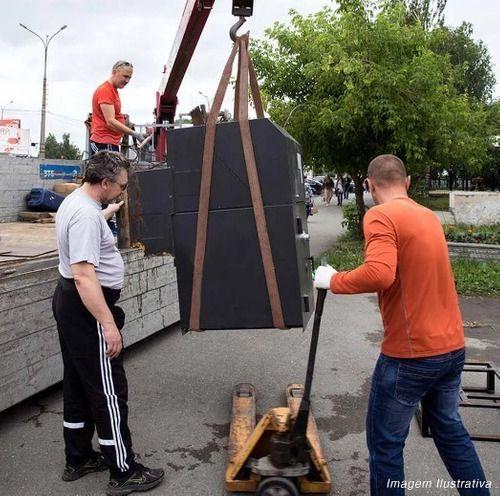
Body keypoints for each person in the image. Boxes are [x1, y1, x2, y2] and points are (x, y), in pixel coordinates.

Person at [314, 154, 489, 496]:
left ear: (369, 185)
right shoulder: (426, 216)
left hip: (411, 356)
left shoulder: (380, 215)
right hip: (451, 349)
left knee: (386, 445)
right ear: (407, 183)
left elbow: (380, 273)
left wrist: (333, 280)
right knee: (450, 431)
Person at [52, 151, 164, 496]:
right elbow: (85, 276)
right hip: (87, 306)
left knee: (77, 382)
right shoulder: (85, 217)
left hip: (70, 303)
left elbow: (88, 227)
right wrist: (108, 325)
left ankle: (79, 457)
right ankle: (124, 470)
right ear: (104, 182)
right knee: (108, 388)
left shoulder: (78, 203)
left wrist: (107, 214)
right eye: (121, 186)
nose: (123, 192)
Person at [90, 60, 148, 155]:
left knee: (116, 169)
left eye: (129, 78)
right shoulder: (106, 91)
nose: (127, 81)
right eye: (125, 76)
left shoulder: (113, 90)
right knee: (108, 170)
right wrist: (134, 133)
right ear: (114, 72)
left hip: (110, 143)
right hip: (103, 143)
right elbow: (111, 121)